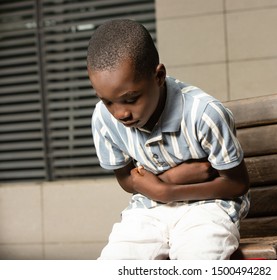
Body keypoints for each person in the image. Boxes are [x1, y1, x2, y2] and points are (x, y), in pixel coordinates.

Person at [87, 19, 250, 260]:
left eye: (131, 99)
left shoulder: (203, 114)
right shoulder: (103, 119)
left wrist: (166, 191)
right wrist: (167, 183)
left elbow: (237, 184)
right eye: (107, 101)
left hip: (209, 207)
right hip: (148, 210)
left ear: (159, 76)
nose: (120, 113)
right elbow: (125, 178)